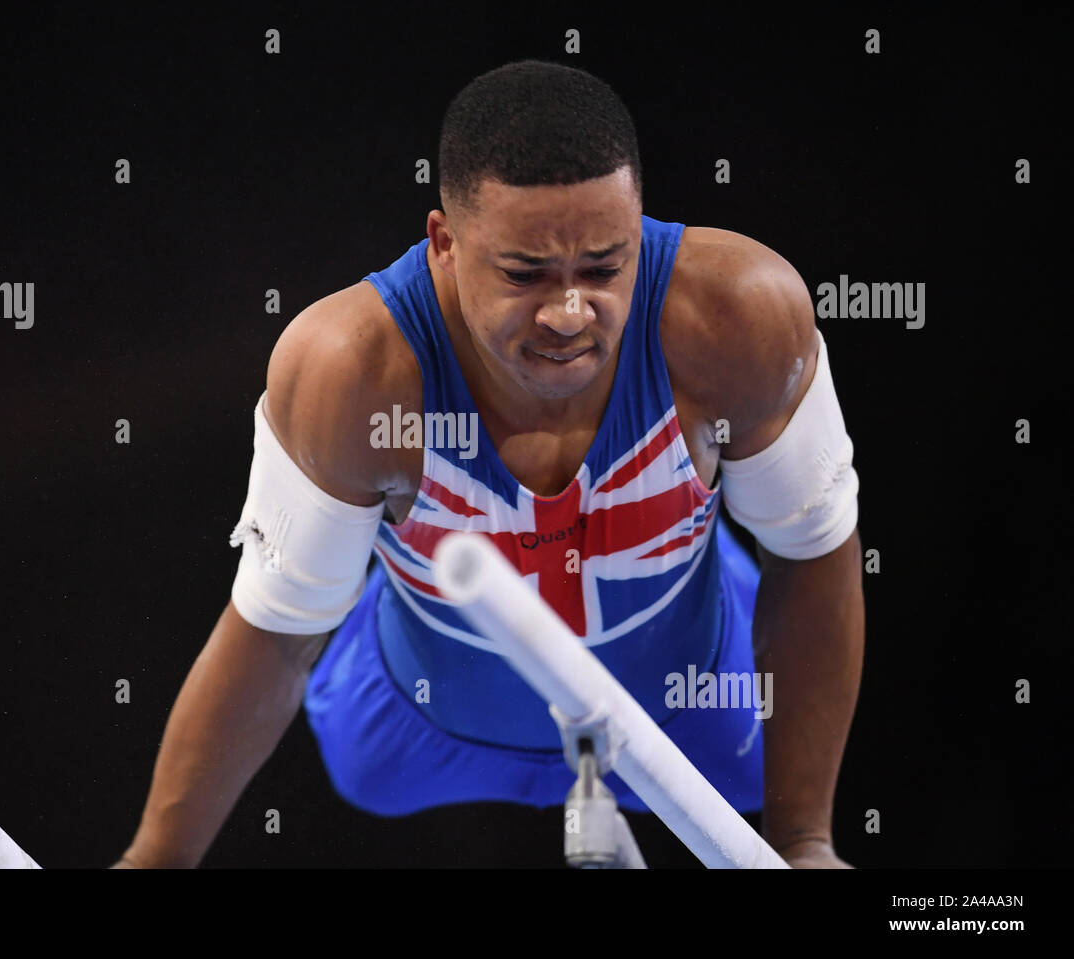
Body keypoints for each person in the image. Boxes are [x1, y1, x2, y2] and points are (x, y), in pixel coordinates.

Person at [114, 59, 864, 869]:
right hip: (410, 728)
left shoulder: (737, 317)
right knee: (341, 705)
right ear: (444, 243)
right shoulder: (352, 371)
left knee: (763, 723)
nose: (570, 313)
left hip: (694, 715)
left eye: (605, 267)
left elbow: (814, 556)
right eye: (525, 274)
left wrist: (803, 839)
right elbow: (276, 636)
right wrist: (152, 861)